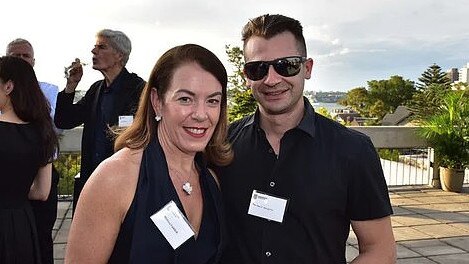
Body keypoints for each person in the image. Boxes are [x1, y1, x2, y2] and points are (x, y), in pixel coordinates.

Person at [217, 14, 396, 263]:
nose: (271, 79)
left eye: (286, 65)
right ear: (247, 76)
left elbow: (380, 250)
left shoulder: (352, 151)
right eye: (258, 69)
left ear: (307, 68)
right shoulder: (222, 145)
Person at [65, 44, 233, 263]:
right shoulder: (115, 178)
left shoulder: (211, 180)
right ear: (157, 102)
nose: (201, 115)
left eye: (212, 101)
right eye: (185, 99)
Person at [54, 29, 145, 212]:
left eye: (101, 47)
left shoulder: (138, 89)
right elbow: (64, 121)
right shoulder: (96, 90)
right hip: (92, 180)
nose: (93, 52)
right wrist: (71, 86)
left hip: (122, 183)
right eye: (95, 47)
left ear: (119, 55)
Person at [6, 38, 60, 264]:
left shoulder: (51, 91)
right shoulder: (43, 131)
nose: (20, 60)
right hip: (15, 203)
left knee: (42, 239)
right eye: (14, 56)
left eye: (25, 56)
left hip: (34, 180)